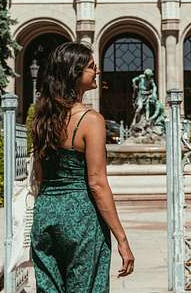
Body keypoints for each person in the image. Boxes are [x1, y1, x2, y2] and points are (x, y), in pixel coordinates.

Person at [30, 42, 135, 292]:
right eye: (91, 67)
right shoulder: (91, 120)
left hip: (46, 212)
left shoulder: (41, 118)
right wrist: (122, 238)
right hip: (81, 217)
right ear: (74, 74)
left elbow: (39, 175)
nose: (97, 71)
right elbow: (97, 183)